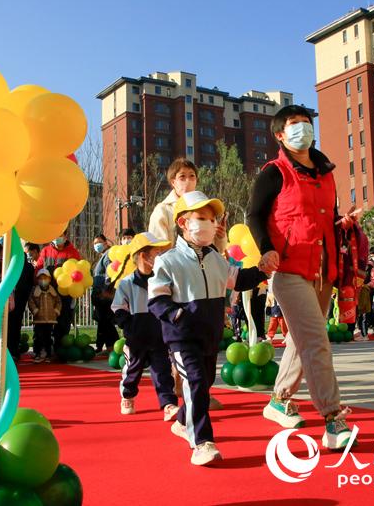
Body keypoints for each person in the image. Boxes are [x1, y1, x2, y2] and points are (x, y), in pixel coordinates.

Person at [247, 104, 356, 451]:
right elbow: (254, 215)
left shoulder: (326, 172)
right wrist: (265, 248)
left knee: (301, 339)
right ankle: (333, 419)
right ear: (280, 135)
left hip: (324, 270)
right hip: (289, 269)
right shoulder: (274, 172)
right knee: (315, 342)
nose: (303, 130)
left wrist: (342, 223)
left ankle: (279, 400)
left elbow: (327, 216)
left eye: (307, 124)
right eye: (294, 125)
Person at [149, 191, 269, 465]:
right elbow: (156, 300)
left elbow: (238, 280)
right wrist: (178, 315)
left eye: (212, 219)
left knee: (202, 385)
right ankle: (202, 443)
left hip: (209, 337)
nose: (209, 224)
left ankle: (182, 420)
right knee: (195, 382)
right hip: (181, 338)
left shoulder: (216, 259)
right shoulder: (167, 261)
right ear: (182, 223)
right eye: (201, 218)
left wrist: (262, 270)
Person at [112, 232, 178, 419]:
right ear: (142, 255)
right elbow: (118, 307)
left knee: (163, 371)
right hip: (136, 337)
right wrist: (128, 325)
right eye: (156, 252)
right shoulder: (126, 283)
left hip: (159, 335)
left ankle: (168, 404)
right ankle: (128, 395)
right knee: (133, 370)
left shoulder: (162, 280)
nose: (159, 255)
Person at [148, 159, 228, 251]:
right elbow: (157, 249)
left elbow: (216, 251)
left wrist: (220, 238)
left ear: (196, 180)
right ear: (173, 182)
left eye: (192, 176)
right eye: (182, 177)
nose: (188, 180)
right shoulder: (163, 210)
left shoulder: (206, 208)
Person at [36, 230, 82, 350]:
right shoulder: (45, 251)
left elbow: (77, 272)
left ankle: (60, 348)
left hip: (65, 293)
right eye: (55, 235)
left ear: (65, 236)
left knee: (63, 321)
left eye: (60, 235)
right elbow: (39, 268)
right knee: (45, 321)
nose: (57, 238)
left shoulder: (72, 252)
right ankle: (44, 349)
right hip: (47, 291)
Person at [28, 269, 61, 363]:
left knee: (48, 337)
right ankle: (37, 353)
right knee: (38, 337)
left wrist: (56, 311)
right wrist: (35, 310)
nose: (43, 280)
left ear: (49, 279)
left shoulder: (53, 290)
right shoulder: (35, 290)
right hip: (39, 318)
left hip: (50, 318)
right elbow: (31, 301)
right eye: (40, 278)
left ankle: (48, 354)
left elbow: (58, 301)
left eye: (45, 278)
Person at [10, 247, 35, 360]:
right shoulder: (11, 264)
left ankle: (13, 350)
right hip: (14, 298)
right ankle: (12, 350)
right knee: (13, 325)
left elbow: (29, 283)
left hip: (19, 299)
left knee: (14, 325)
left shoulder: (27, 267)